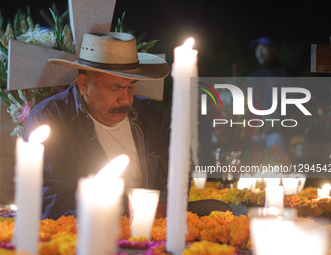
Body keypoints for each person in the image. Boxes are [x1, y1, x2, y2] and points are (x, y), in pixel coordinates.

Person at [23, 32, 233, 220]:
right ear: (84, 84)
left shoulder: (147, 113)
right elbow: (51, 199)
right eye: (115, 89)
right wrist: (126, 208)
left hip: (156, 214)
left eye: (131, 87)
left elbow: (174, 168)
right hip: (92, 220)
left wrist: (162, 208)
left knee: (218, 209)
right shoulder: (50, 117)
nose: (126, 99)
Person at [247, 37, 296, 159]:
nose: (260, 53)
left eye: (263, 49)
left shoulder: (285, 73)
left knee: (278, 165)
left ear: (273, 51)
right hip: (255, 130)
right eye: (257, 50)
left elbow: (294, 102)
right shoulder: (254, 75)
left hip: (278, 130)